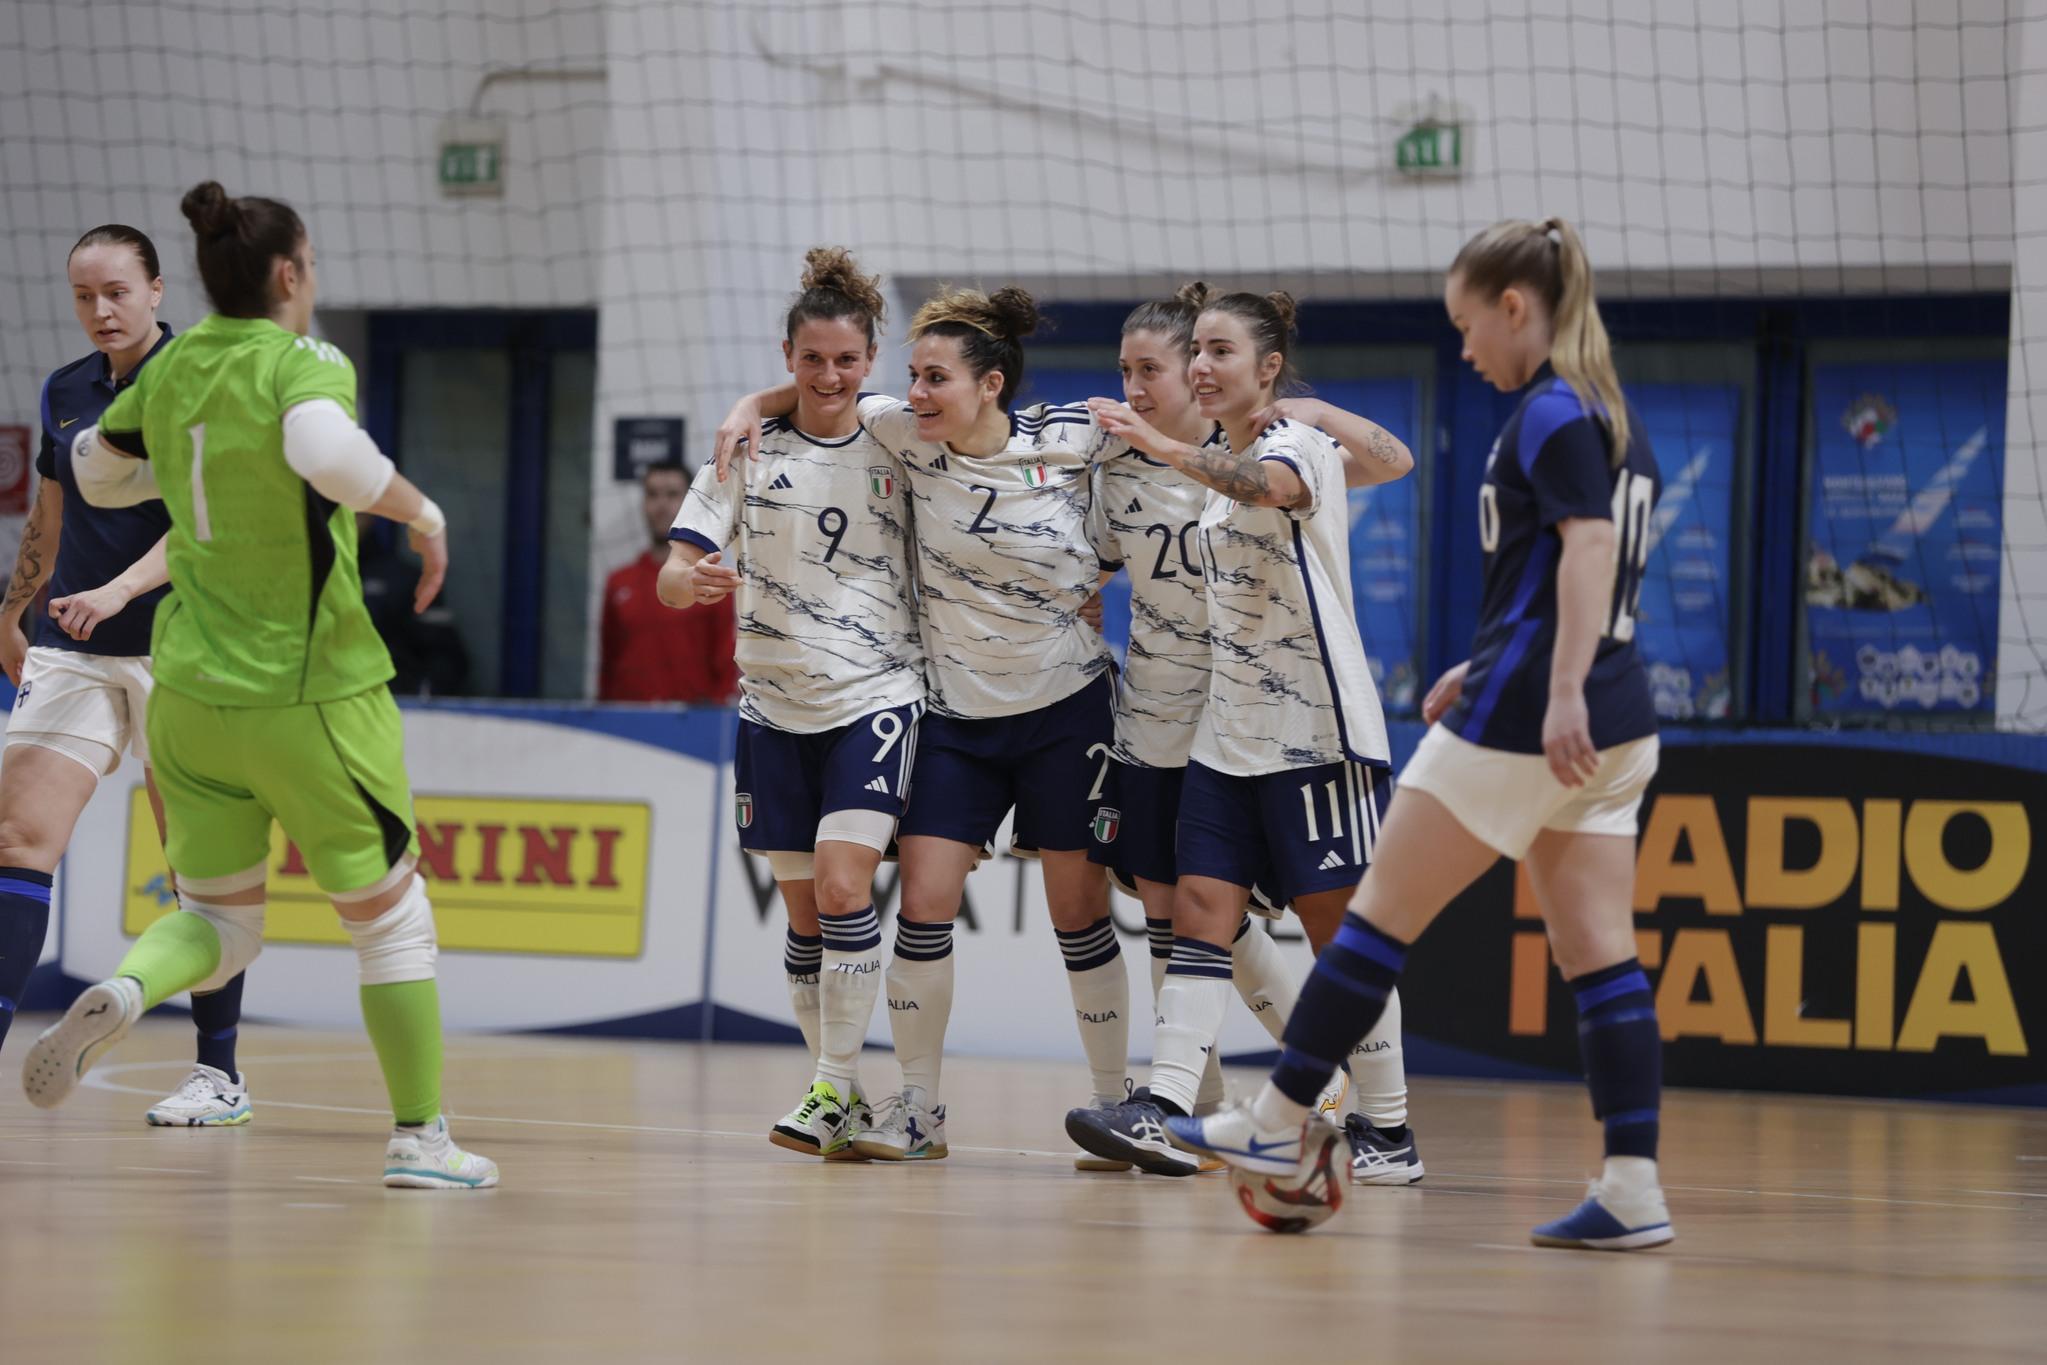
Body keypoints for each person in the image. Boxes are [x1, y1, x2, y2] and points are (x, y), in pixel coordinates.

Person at [1168, 217, 1670, 1250]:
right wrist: (1497, 664)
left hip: (1534, 715)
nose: (1464, 347)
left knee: (1372, 922)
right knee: (1598, 955)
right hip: (1617, 716)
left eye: (1466, 323)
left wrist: (1553, 687)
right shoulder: (1613, 414)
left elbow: (1588, 549)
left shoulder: (1550, 411)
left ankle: (1278, 1120)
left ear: (1515, 308)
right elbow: (1576, 575)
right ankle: (1631, 1187)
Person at [22, 180, 496, 1190]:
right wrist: (425, 516)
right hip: (308, 692)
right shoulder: (302, 358)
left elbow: (95, 470)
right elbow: (327, 455)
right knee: (391, 919)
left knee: (222, 920)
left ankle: (128, 986)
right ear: (290, 273)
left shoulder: (178, 365)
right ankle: (420, 1140)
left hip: (192, 695)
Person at [715, 286, 1130, 1161]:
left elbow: (1157, 468)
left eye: (935, 377)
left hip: (1064, 707)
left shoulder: (1072, 435)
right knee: (923, 904)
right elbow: (820, 389)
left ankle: (1112, 1103)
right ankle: (917, 1110)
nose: (915, 393)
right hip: (954, 713)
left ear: (991, 384)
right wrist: (748, 402)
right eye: (912, 376)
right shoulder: (902, 431)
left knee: (1077, 911)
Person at [1067, 285, 1421, 1178]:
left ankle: (1386, 1128)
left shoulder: (1291, 444)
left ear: (1267, 367)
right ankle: (1166, 1105)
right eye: (1197, 351)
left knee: (1337, 929)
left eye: (1219, 351)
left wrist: (1173, 442)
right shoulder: (1211, 461)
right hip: (1226, 729)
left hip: (1313, 726)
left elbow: (1281, 486)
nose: (1200, 365)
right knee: (1198, 909)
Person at [661, 247, 920, 1159]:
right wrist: (688, 583)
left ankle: (831, 1086)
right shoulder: (745, 450)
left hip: (874, 697)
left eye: (847, 358)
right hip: (771, 707)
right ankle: (836, 1088)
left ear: (871, 360)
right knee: (806, 917)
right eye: (812, 359)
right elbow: (672, 571)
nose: (829, 375)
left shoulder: (897, 436)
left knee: (846, 886)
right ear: (787, 356)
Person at [0, 223, 254, 1127]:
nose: (100, 310)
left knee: (199, 870)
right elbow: (51, 513)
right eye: (84, 296)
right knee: (18, 838)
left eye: (116, 291)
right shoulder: (66, 389)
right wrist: (11, 609)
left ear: (155, 290)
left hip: (183, 646)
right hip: (72, 644)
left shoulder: (204, 380)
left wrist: (118, 591)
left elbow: (209, 521)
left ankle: (218, 1074)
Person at [600, 462, 737, 704]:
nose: (661, 505)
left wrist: (714, 715)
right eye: (652, 494)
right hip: (628, 720)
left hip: (694, 720)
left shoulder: (711, 580)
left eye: (672, 494)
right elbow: (607, 665)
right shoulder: (619, 582)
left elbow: (726, 665)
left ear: (690, 503)